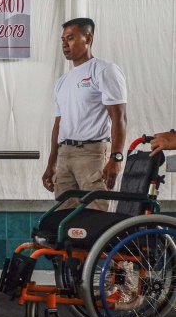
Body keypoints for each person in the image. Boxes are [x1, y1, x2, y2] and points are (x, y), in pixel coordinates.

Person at [41, 18, 127, 211]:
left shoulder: (104, 70)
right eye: (63, 39)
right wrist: (51, 163)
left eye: (70, 38)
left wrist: (116, 158)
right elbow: (58, 125)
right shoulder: (62, 82)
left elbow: (119, 117)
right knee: (65, 219)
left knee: (95, 217)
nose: (65, 44)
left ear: (88, 38)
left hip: (92, 154)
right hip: (65, 155)